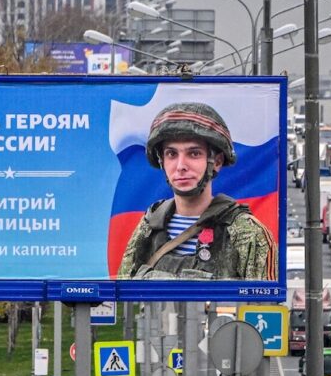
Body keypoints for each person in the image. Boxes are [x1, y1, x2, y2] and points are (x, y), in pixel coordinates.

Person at [117, 102, 277, 281]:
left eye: (194, 154)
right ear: (162, 161)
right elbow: (124, 293)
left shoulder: (245, 233)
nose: (181, 166)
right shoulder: (148, 228)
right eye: (171, 154)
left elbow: (264, 304)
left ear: (216, 162)